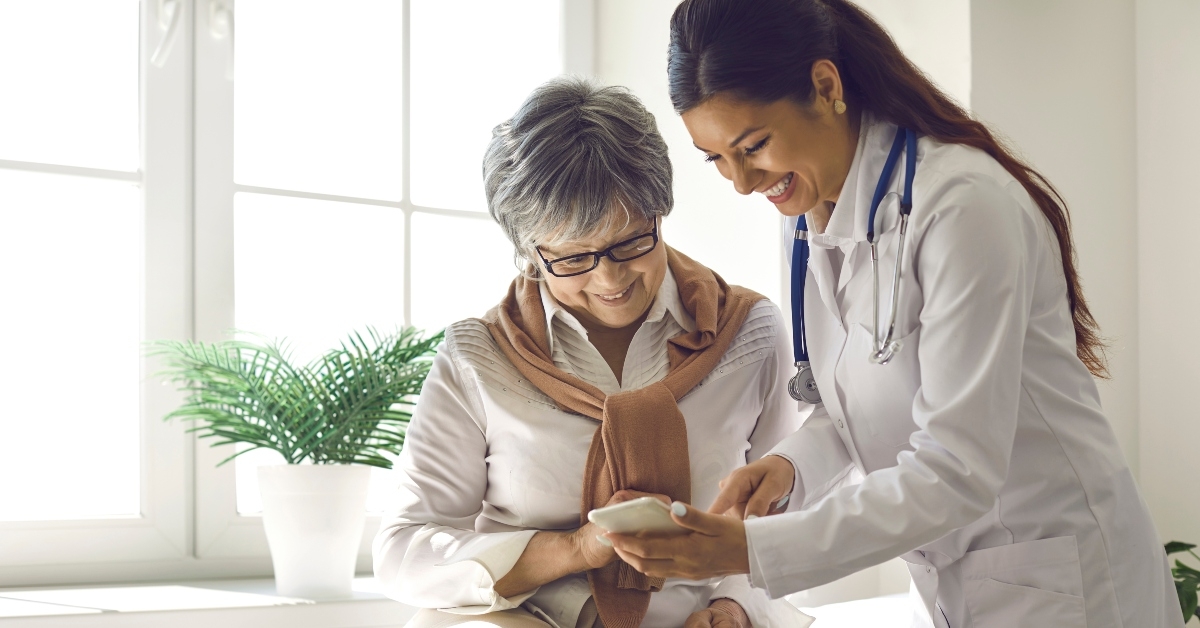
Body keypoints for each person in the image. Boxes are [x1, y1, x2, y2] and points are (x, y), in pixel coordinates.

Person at [604, 2, 1184, 627]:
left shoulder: (962, 207)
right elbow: (854, 399)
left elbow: (957, 468)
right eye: (716, 158)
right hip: (960, 582)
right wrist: (788, 468)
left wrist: (752, 551)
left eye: (754, 146)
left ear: (825, 87)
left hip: (1067, 579)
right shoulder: (805, 215)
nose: (743, 183)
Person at [373, 77, 811, 628]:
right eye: (574, 258)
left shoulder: (749, 332)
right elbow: (402, 550)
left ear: (660, 212)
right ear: (529, 252)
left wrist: (736, 609)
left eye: (631, 242)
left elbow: (790, 522)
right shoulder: (479, 355)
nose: (610, 279)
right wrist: (575, 550)